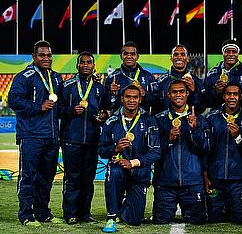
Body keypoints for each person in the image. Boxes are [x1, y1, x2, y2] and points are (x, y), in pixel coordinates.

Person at [8, 40, 64, 226]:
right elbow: (14, 101)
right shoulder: (24, 76)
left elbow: (61, 105)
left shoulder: (56, 78)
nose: (46, 58)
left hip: (51, 136)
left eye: (48, 55)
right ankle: (25, 214)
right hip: (31, 135)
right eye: (42, 55)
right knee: (29, 176)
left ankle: (43, 212)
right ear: (34, 56)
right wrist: (38, 107)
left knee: (46, 178)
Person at [98, 85, 161, 232]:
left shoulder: (149, 121)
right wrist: (115, 149)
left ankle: (125, 203)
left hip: (139, 172)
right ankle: (111, 217)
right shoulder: (111, 121)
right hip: (118, 170)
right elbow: (101, 150)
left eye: (135, 97)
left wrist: (132, 163)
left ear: (140, 100)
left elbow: (156, 152)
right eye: (128, 97)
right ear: (122, 99)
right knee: (112, 172)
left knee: (134, 220)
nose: (131, 100)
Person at [59, 51, 108, 224]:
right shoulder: (67, 86)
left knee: (88, 180)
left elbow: (106, 110)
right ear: (77, 65)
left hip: (92, 141)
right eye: (83, 62)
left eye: (89, 62)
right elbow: (58, 110)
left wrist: (103, 117)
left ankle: (85, 214)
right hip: (71, 140)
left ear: (94, 66)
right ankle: (70, 213)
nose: (86, 65)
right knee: (72, 178)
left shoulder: (100, 88)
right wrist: (71, 110)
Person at [152, 80, 208, 225]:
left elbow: (206, 148)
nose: (178, 95)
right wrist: (168, 139)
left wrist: (195, 130)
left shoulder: (199, 119)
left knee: (199, 222)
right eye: (174, 92)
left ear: (187, 94)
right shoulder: (158, 119)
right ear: (168, 95)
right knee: (160, 221)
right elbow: (152, 150)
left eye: (182, 91)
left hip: (192, 182)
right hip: (166, 183)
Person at [204, 82, 242, 224]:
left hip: (239, 179)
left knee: (240, 219)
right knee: (214, 220)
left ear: (241, 96)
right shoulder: (211, 118)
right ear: (223, 96)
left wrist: (238, 137)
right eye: (228, 94)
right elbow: (205, 150)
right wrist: (205, 174)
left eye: (235, 94)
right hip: (216, 178)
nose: (232, 97)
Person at [204, 39, 242, 114]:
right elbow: (205, 102)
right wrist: (216, 91)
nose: (231, 54)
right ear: (223, 53)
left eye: (234, 51)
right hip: (218, 119)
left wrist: (241, 95)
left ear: (238, 53)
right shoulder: (212, 74)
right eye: (227, 51)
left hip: (241, 117)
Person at [104, 41, 158, 114]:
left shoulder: (148, 76)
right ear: (121, 56)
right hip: (119, 121)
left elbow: (158, 102)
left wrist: (145, 94)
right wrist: (111, 93)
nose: (129, 56)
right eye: (126, 54)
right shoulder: (112, 77)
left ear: (137, 56)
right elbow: (105, 105)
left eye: (132, 54)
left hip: (142, 120)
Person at [155, 44, 204, 114]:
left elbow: (201, 109)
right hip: (166, 122)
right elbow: (155, 107)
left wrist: (194, 91)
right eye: (176, 54)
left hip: (189, 122)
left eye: (182, 54)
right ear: (171, 58)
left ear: (187, 59)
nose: (179, 57)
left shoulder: (197, 81)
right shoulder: (161, 81)